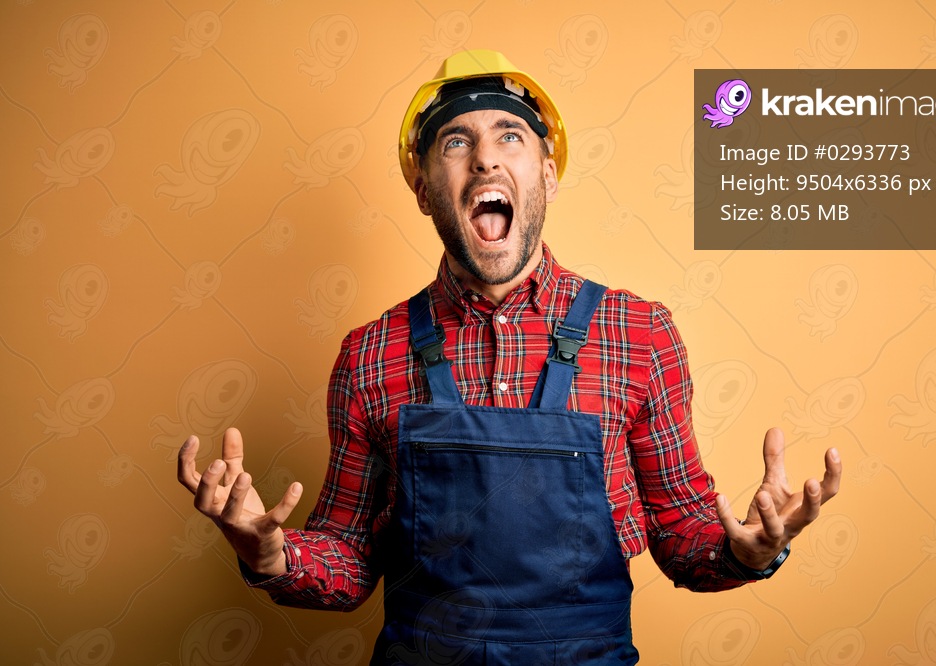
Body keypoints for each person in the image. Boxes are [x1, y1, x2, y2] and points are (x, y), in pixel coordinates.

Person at [177, 49, 841, 664]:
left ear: (547, 177)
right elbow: (347, 559)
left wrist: (748, 550)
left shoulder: (638, 333)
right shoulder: (369, 354)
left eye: (510, 137)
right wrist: (271, 556)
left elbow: (683, 537)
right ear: (423, 189)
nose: (485, 161)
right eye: (456, 141)